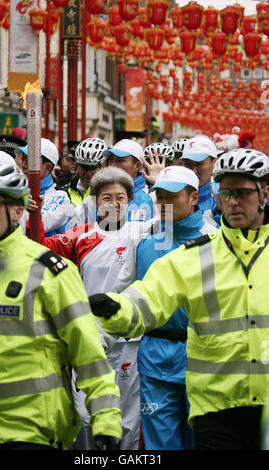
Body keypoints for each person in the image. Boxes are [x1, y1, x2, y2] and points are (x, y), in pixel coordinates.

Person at [88, 148, 269, 450]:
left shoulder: (200, 235)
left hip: (249, 394)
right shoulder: (177, 247)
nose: (233, 202)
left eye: (243, 193)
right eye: (226, 193)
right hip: (196, 389)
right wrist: (114, 312)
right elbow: (146, 296)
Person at [0, 159, 122, 450]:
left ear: (17, 210)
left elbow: (88, 353)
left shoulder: (50, 272)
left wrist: (106, 419)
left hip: (31, 433)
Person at [33, 167, 155, 450]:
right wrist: (34, 213)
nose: (114, 204)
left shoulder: (141, 231)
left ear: (130, 201)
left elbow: (172, 225)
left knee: (126, 420)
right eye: (107, 198)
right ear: (94, 202)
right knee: (87, 417)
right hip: (88, 339)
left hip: (127, 340)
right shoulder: (80, 235)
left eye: (121, 198)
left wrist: (158, 182)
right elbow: (36, 247)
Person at [114, 166, 215, 450]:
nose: (163, 204)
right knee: (160, 444)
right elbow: (124, 290)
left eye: (172, 196)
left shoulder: (214, 239)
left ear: (194, 197)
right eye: (160, 196)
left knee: (202, 440)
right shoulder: (143, 236)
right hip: (155, 357)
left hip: (202, 356)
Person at [16, 138, 73, 236]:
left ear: (47, 167)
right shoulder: (16, 189)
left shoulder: (60, 197)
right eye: (23, 158)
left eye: (30, 160)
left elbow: (37, 227)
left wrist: (18, 205)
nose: (24, 165)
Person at [103, 139, 154, 222]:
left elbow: (166, 228)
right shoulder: (100, 194)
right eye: (111, 160)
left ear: (137, 166)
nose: (113, 165)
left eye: (120, 160)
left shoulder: (152, 197)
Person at [178, 135, 218, 223]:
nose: (193, 171)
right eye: (188, 164)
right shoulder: (174, 193)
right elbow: (166, 230)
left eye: (199, 164)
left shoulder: (221, 197)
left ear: (214, 162)